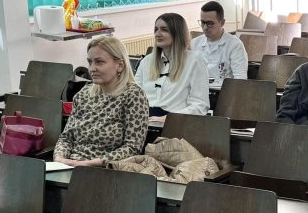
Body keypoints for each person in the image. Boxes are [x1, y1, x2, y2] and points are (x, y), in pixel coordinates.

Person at [54, 36, 149, 167]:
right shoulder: (83, 94)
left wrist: (89, 164)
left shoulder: (133, 95)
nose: (92, 68)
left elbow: (132, 148)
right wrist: (60, 159)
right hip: (72, 164)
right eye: (90, 62)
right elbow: (66, 138)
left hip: (107, 169)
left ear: (120, 65)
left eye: (99, 62)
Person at [135, 12, 210, 120]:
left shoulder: (195, 61)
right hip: (144, 120)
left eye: (164, 30)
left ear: (177, 33)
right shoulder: (146, 61)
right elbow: (135, 97)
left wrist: (168, 119)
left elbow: (200, 106)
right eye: (156, 29)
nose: (158, 34)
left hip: (175, 122)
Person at [192, 0, 248, 84]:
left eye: (210, 23)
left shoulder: (235, 45)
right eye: (203, 22)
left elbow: (240, 78)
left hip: (224, 91)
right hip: (198, 90)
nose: (205, 27)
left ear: (222, 23)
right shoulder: (194, 44)